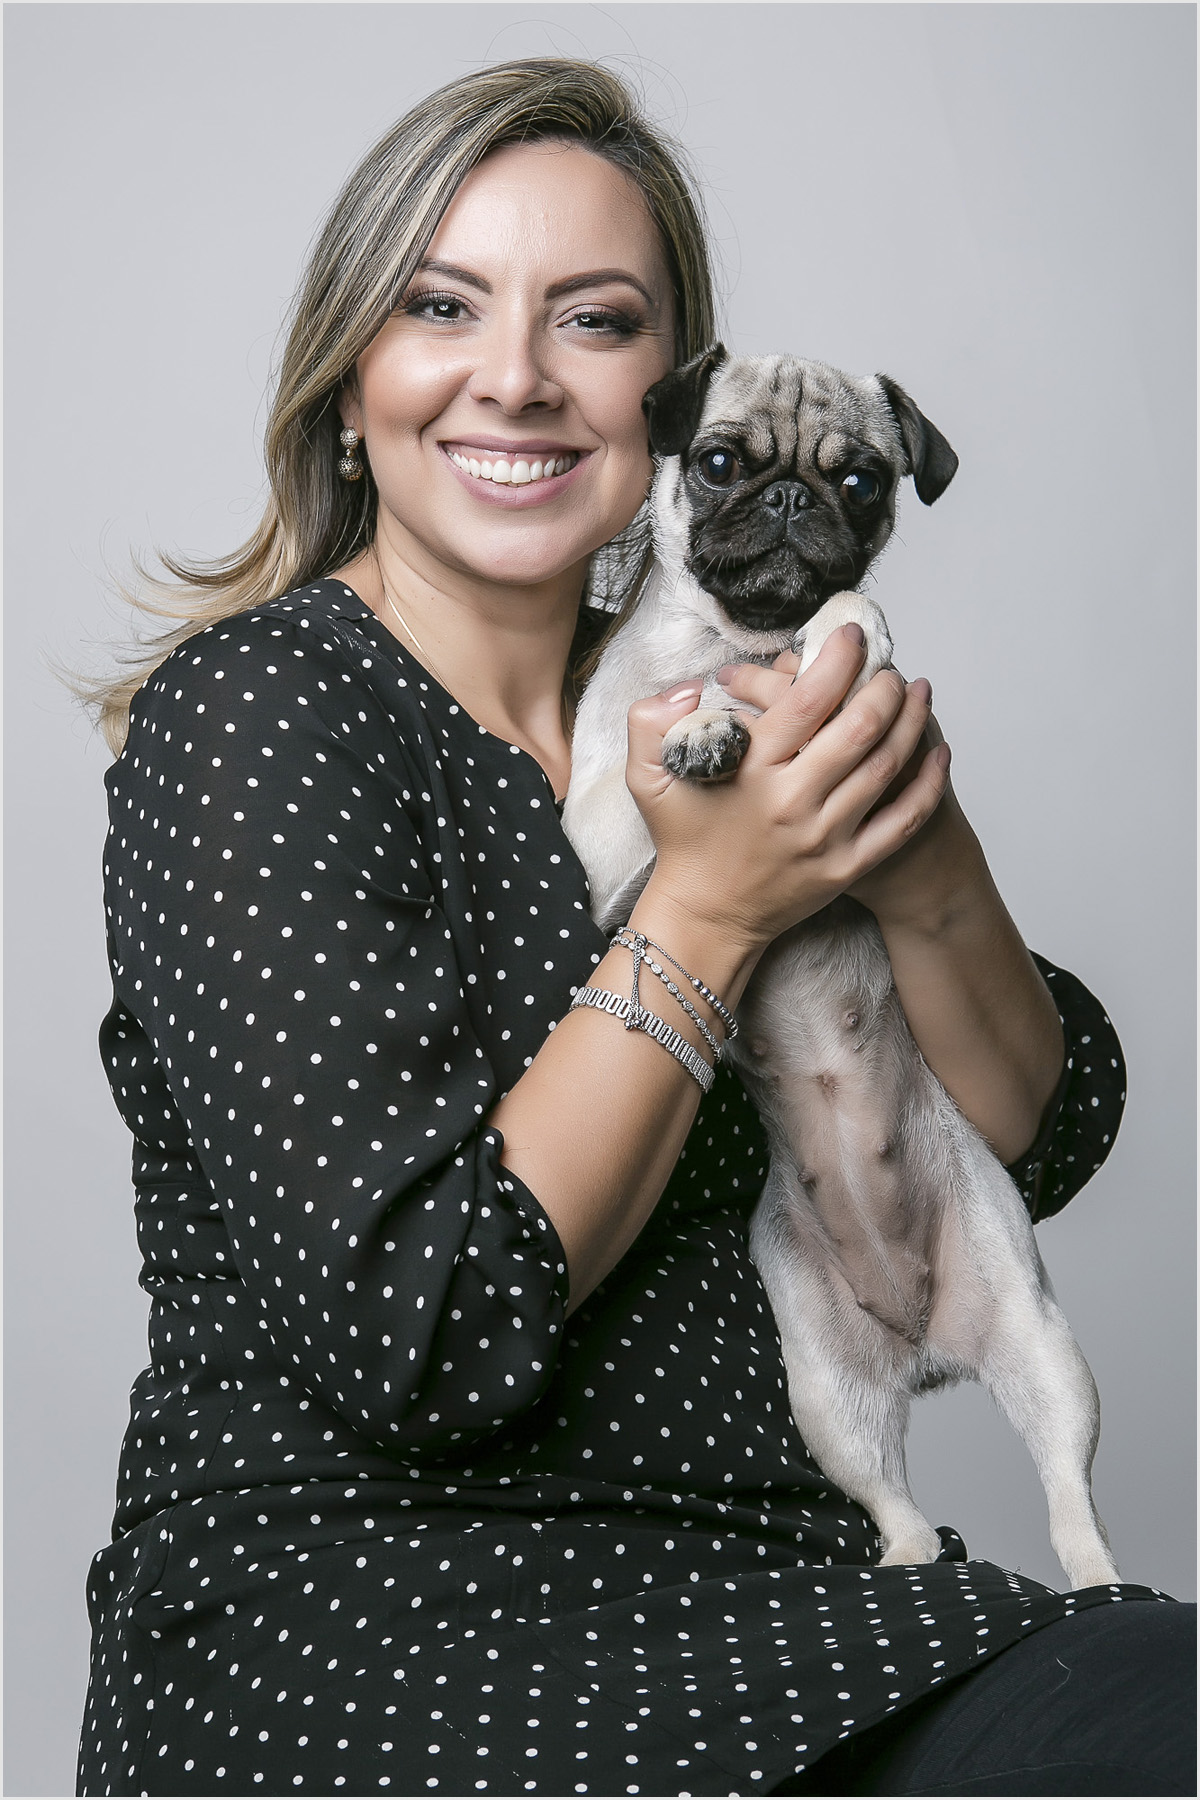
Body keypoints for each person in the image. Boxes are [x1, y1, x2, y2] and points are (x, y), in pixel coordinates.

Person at [77, 58, 1192, 1799]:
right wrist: (715, 901)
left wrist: (916, 858)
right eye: (442, 305)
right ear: (352, 376)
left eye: (592, 319)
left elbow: (1036, 1130)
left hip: (787, 1596)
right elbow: (428, 1332)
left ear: (667, 397)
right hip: (371, 1623)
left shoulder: (727, 691)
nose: (517, 375)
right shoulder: (263, 718)